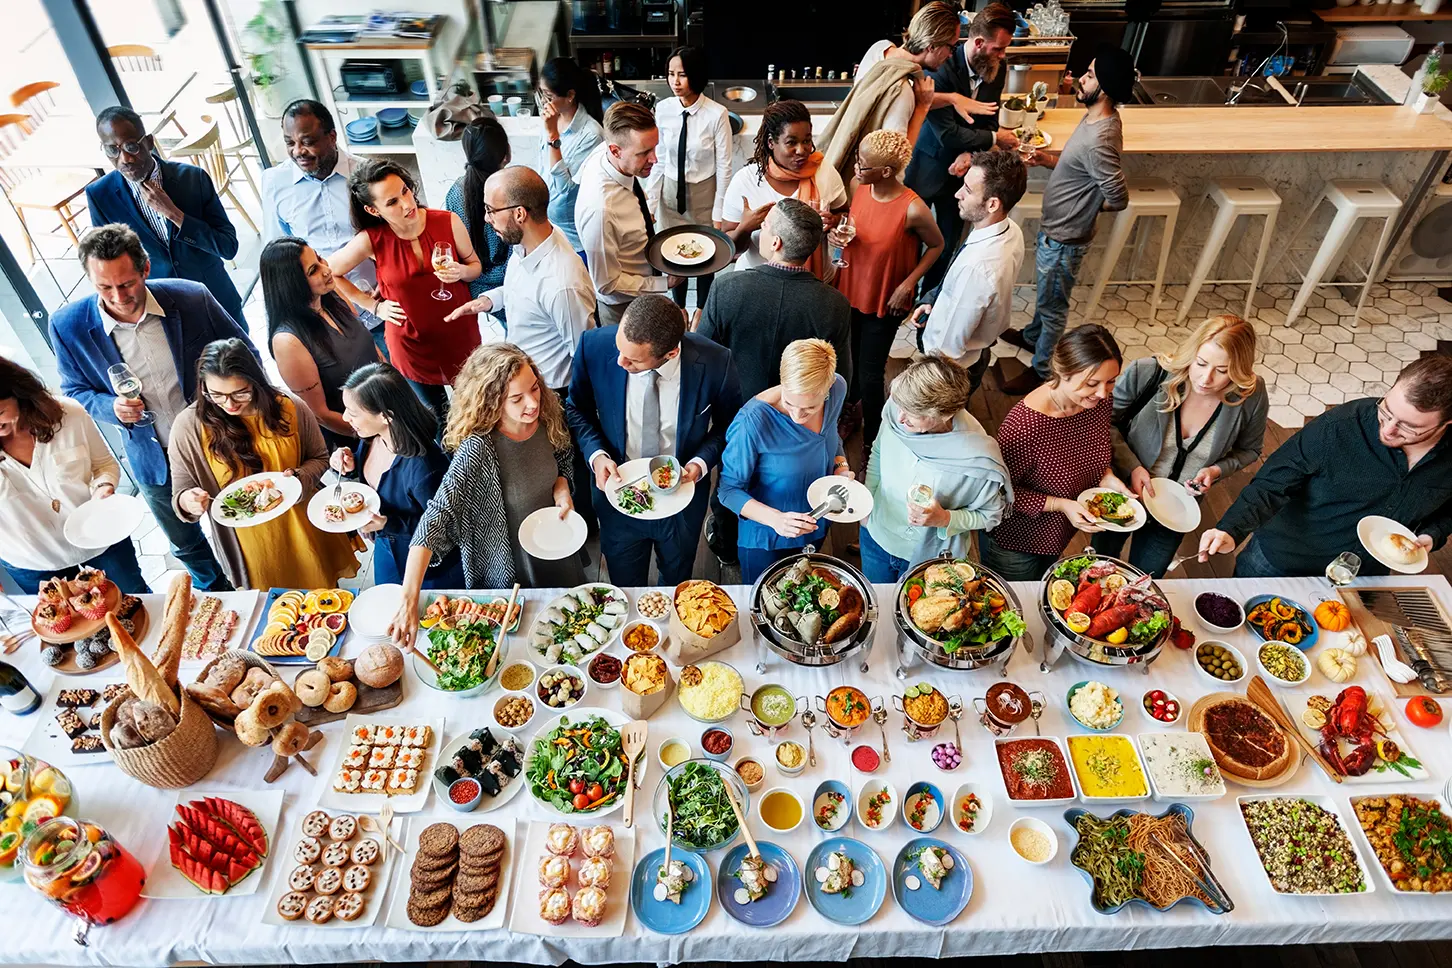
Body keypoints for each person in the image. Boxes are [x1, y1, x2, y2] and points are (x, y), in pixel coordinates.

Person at [52, 223, 250, 591]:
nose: (118, 297)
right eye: (104, 287)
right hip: (151, 454)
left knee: (243, 518)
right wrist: (110, 407)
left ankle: (256, 583)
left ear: (145, 269)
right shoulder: (68, 326)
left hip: (218, 436)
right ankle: (218, 597)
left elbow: (244, 351)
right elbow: (74, 389)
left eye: (126, 284)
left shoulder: (191, 298)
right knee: (186, 542)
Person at [388, 345, 584, 646]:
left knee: (573, 630)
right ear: (491, 401)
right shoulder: (478, 449)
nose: (532, 403)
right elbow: (435, 520)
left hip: (556, 547)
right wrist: (408, 599)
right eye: (516, 399)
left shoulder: (548, 412)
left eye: (534, 389)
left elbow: (564, 456)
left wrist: (561, 485)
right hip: (514, 566)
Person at [1199, 355, 1452, 578]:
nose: (1387, 429)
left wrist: (1432, 534)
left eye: (1409, 427)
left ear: (1446, 423)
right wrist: (1231, 528)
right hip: (1282, 562)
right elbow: (1274, 482)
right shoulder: (1339, 426)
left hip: (1364, 575)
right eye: (1386, 410)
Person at [565, 294, 743, 587]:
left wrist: (700, 463)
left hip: (682, 497)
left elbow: (729, 424)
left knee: (676, 581)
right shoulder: (594, 346)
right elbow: (577, 409)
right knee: (624, 583)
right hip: (617, 493)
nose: (619, 361)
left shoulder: (716, 362)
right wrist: (596, 455)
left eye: (633, 360)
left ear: (671, 353)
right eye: (619, 349)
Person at [168, 339, 360, 590]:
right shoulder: (188, 427)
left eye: (241, 393)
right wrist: (189, 501)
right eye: (216, 395)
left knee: (323, 601)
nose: (230, 404)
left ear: (256, 381)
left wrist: (300, 477)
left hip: (303, 528)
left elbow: (319, 457)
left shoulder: (289, 407)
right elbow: (180, 493)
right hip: (253, 546)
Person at [1001, 45, 1134, 394]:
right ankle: (1032, 337)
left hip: (1065, 237)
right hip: (1057, 230)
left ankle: (1043, 367)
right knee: (1047, 296)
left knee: (1053, 306)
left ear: (1103, 87)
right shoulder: (1093, 117)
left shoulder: (1100, 139)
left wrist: (1087, 208)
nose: (1080, 77)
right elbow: (1083, 172)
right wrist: (1048, 161)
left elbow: (1118, 197)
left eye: (1089, 75)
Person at [1093, 314, 1267, 577]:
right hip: (1124, 492)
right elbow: (1103, 423)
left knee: (1145, 580)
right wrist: (1133, 467)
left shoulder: (1250, 395)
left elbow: (1250, 450)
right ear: (1192, 352)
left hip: (1177, 508)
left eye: (1222, 371)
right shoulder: (1147, 372)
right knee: (1100, 565)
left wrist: (1216, 471)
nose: (1206, 379)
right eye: (1201, 363)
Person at [329, 159, 483, 415]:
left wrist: (463, 271)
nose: (406, 203)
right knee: (434, 415)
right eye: (392, 202)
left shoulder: (448, 221)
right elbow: (330, 272)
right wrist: (373, 306)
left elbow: (475, 266)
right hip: (411, 344)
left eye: (404, 191)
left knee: (477, 406)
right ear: (373, 210)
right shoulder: (371, 240)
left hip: (459, 332)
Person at [982, 324, 1126, 581]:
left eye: (1112, 381)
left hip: (1059, 532)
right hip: (1016, 543)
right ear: (1062, 373)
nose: (1104, 393)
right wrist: (1061, 504)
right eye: (1092, 383)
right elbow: (999, 494)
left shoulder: (1098, 402)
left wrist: (1106, 476)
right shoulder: (1025, 427)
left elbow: (1096, 447)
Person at [0, 358, 148, 594]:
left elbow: (103, 464)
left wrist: (104, 486)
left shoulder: (68, 414)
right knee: (70, 626)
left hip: (99, 537)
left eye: (0, 412)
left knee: (132, 602)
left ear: (19, 394)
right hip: (33, 561)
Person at [86, 106, 244, 327]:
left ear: (149, 142)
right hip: (163, 314)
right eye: (112, 150)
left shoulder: (193, 179)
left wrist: (175, 214)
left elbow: (228, 247)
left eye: (131, 146)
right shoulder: (100, 196)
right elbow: (110, 265)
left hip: (217, 302)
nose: (125, 159)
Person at [858, 354, 1011, 583]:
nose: (899, 418)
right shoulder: (900, 405)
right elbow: (879, 452)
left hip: (927, 559)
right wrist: (867, 506)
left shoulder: (979, 457)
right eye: (900, 406)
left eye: (914, 415)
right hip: (875, 536)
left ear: (947, 414)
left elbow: (989, 516)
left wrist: (945, 518)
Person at [836, 130, 944, 450]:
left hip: (884, 298)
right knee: (849, 360)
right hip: (850, 287)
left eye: (863, 164)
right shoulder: (859, 187)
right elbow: (855, 228)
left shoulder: (913, 209)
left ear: (885, 171)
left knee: (871, 373)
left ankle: (875, 441)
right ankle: (851, 413)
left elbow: (937, 246)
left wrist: (909, 283)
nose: (856, 167)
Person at [444, 167, 595, 395]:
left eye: (491, 210)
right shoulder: (525, 243)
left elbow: (583, 354)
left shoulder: (562, 285)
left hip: (549, 390)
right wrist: (488, 300)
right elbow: (526, 292)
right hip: (523, 372)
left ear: (519, 214)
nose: (486, 219)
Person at [718, 339, 854, 583]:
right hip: (767, 538)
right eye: (790, 403)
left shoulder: (838, 389)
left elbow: (831, 437)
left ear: (829, 387)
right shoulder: (752, 423)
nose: (798, 415)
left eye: (809, 408)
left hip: (816, 521)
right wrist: (776, 520)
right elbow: (728, 491)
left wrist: (841, 466)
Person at [905, 3, 1018, 293]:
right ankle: (902, 293)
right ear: (978, 42)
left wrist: (971, 154)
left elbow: (990, 117)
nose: (1003, 56)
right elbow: (948, 133)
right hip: (927, 167)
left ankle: (928, 300)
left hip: (965, 174)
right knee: (908, 238)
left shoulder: (997, 66)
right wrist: (994, 141)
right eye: (998, 49)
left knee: (947, 244)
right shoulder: (940, 65)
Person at [262, 99, 387, 359]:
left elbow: (394, 235)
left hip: (378, 305)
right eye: (289, 143)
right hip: (324, 318)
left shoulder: (366, 175)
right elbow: (278, 256)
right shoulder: (275, 182)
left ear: (332, 137)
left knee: (403, 385)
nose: (298, 151)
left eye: (307, 141)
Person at [697, 198, 852, 399]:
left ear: (776, 242)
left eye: (764, 226)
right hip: (795, 413)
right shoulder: (835, 304)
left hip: (734, 410)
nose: (761, 230)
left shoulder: (726, 287)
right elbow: (839, 378)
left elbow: (703, 357)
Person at [331, 364, 463, 588]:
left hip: (427, 567)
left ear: (385, 416)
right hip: (386, 548)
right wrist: (350, 464)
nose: (344, 418)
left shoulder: (426, 468)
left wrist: (387, 523)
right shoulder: (373, 438)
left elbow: (448, 528)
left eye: (352, 413)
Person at [907, 149, 1027, 393]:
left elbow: (947, 348)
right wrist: (935, 301)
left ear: (993, 204)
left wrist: (925, 383)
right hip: (977, 351)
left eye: (968, 191)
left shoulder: (977, 269)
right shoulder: (1011, 229)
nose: (957, 194)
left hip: (949, 370)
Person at [260, 237, 382, 449]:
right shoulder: (288, 341)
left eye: (319, 258)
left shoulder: (332, 295)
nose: (326, 269)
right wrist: (375, 435)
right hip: (357, 438)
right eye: (313, 270)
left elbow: (370, 347)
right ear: (292, 285)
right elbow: (321, 414)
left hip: (386, 410)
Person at [576, 103, 681, 327]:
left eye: (655, 148)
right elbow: (606, 283)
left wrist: (639, 207)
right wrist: (663, 283)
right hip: (624, 307)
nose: (655, 159)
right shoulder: (601, 211)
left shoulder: (603, 155)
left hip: (643, 282)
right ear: (615, 150)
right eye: (644, 153)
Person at [819, 3, 947, 182]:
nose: (950, 55)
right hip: (865, 185)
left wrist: (954, 99)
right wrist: (922, 107)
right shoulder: (900, 91)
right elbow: (895, 161)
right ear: (932, 46)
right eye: (951, 47)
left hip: (841, 170)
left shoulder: (879, 50)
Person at [721, 100, 850, 277]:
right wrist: (745, 228)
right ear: (771, 142)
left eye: (807, 140)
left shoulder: (825, 172)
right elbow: (729, 248)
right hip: (757, 281)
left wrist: (833, 221)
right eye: (791, 142)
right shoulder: (745, 181)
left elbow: (844, 214)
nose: (802, 150)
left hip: (812, 280)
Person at [652, 46, 733, 309]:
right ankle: (679, 311)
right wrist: (651, 201)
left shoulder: (716, 114)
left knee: (706, 256)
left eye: (682, 75)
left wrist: (719, 212)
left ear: (696, 76)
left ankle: (701, 309)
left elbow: (724, 167)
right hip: (670, 193)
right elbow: (660, 158)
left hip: (703, 195)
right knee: (673, 256)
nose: (675, 81)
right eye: (671, 74)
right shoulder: (663, 109)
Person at [539, 57, 605, 258]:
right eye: (541, 94)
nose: (544, 102)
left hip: (573, 236)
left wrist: (553, 137)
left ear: (570, 96)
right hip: (546, 225)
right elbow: (542, 169)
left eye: (549, 96)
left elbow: (566, 189)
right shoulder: (551, 118)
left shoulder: (591, 134)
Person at [444, 116, 512, 302]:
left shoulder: (455, 193)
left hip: (472, 284)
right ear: (505, 155)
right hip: (509, 286)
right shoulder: (511, 193)